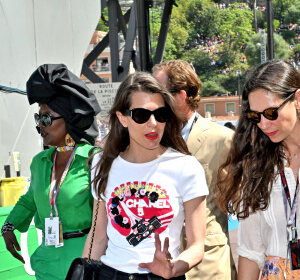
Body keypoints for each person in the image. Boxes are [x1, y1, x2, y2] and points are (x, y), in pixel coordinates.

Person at [82, 72, 208, 280]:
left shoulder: (186, 167)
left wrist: (173, 268)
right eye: (141, 115)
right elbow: (98, 236)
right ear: (123, 118)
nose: (153, 123)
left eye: (160, 115)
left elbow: (197, 245)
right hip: (110, 274)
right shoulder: (102, 163)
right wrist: (85, 274)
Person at [1, 64, 101, 279]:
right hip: (47, 262)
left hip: (85, 261)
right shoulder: (40, 162)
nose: (40, 126)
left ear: (68, 118)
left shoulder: (94, 160)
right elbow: (31, 199)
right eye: (38, 119)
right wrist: (8, 226)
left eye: (46, 118)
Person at [216, 59, 300, 279]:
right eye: (255, 116)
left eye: (271, 113)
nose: (263, 124)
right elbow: (251, 252)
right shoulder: (257, 166)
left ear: (297, 99)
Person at [153, 60, 236, 280]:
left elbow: (239, 205)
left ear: (180, 96)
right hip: (158, 262)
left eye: (158, 92)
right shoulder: (148, 140)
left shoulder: (224, 140)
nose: (151, 99)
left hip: (209, 263)